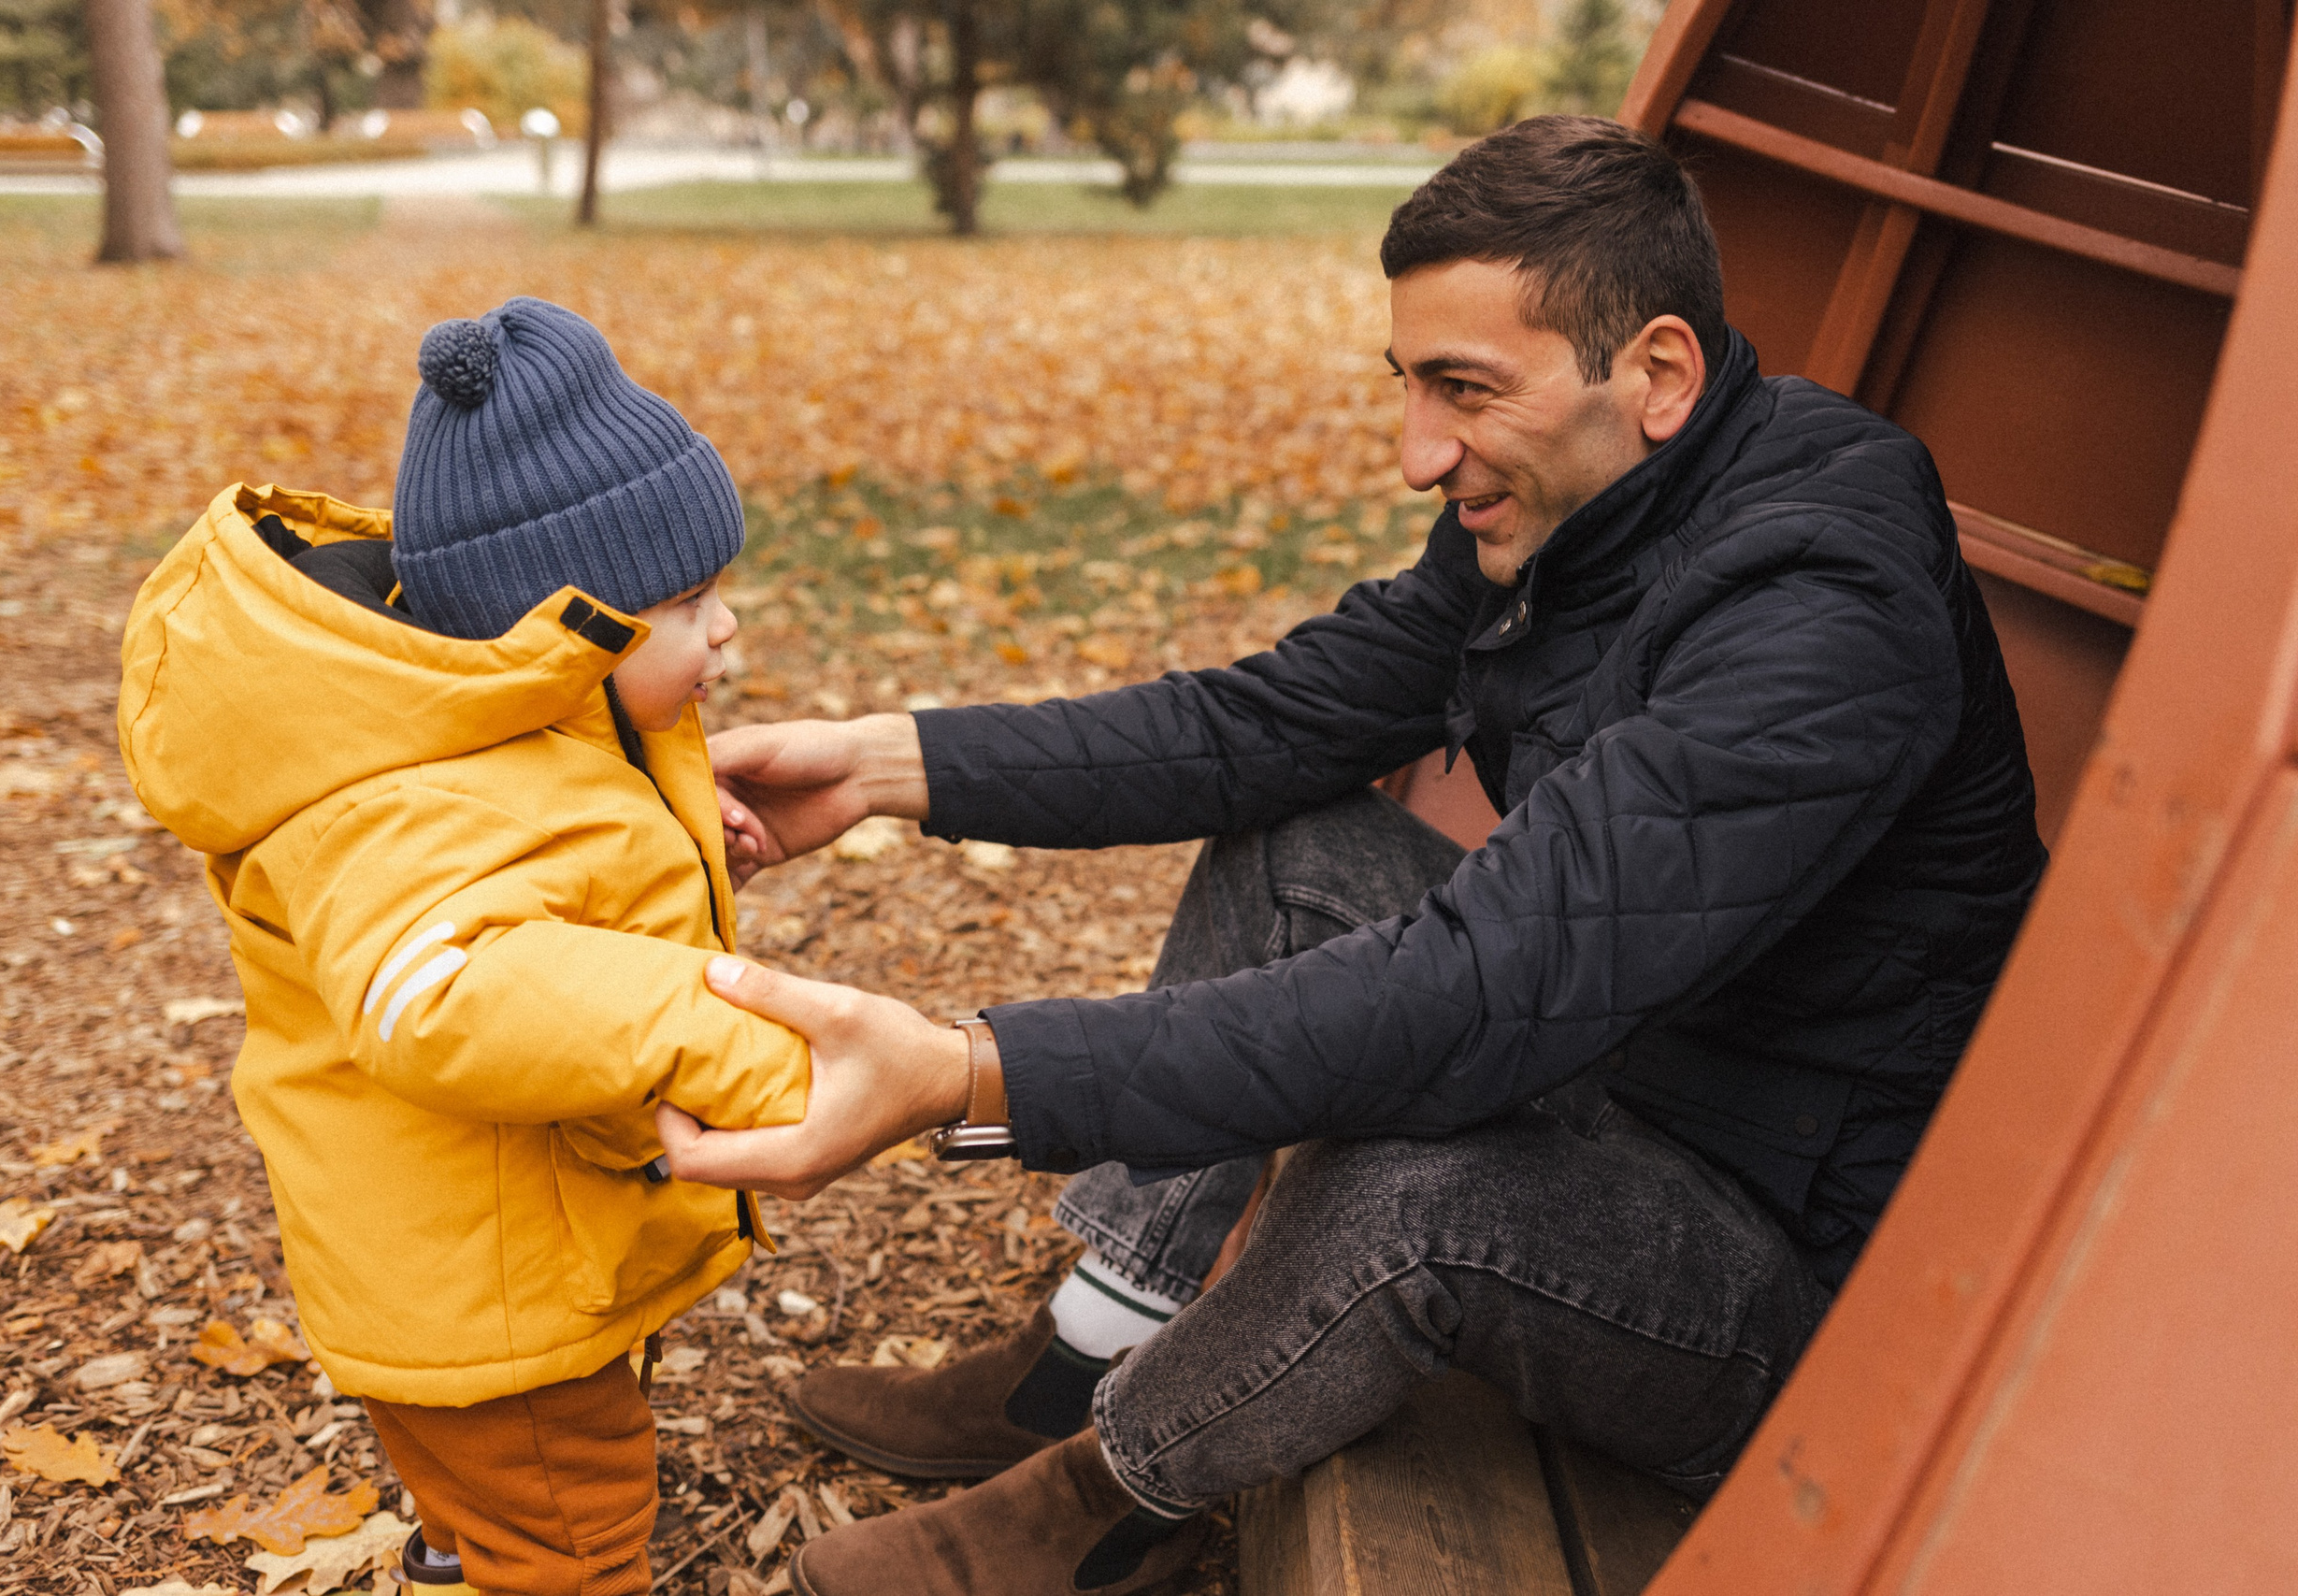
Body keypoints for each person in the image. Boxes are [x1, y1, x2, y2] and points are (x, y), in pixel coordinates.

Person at [668, 116, 2047, 1596]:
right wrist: (890, 766)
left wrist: (968, 1072)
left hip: (1781, 1273)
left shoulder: (1821, 607)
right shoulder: (1579, 507)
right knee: (1298, 847)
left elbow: (1476, 999)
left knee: (1415, 1173)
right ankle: (1093, 1346)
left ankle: (1112, 1501)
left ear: (1655, 375)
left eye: (1464, 390)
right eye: (1407, 383)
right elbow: (1271, 723)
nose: (1415, 454)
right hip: (1640, 1061)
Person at [118, 296, 812, 1596]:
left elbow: (542, 836)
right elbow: (444, 991)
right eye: (688, 602)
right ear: (561, 631)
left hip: (495, 1252)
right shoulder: (394, 803)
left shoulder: (502, 720)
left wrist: (673, 815)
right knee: (572, 1542)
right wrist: (723, 1028)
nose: (726, 629)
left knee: (493, 1518)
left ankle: (455, 1558)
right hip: (490, 1296)